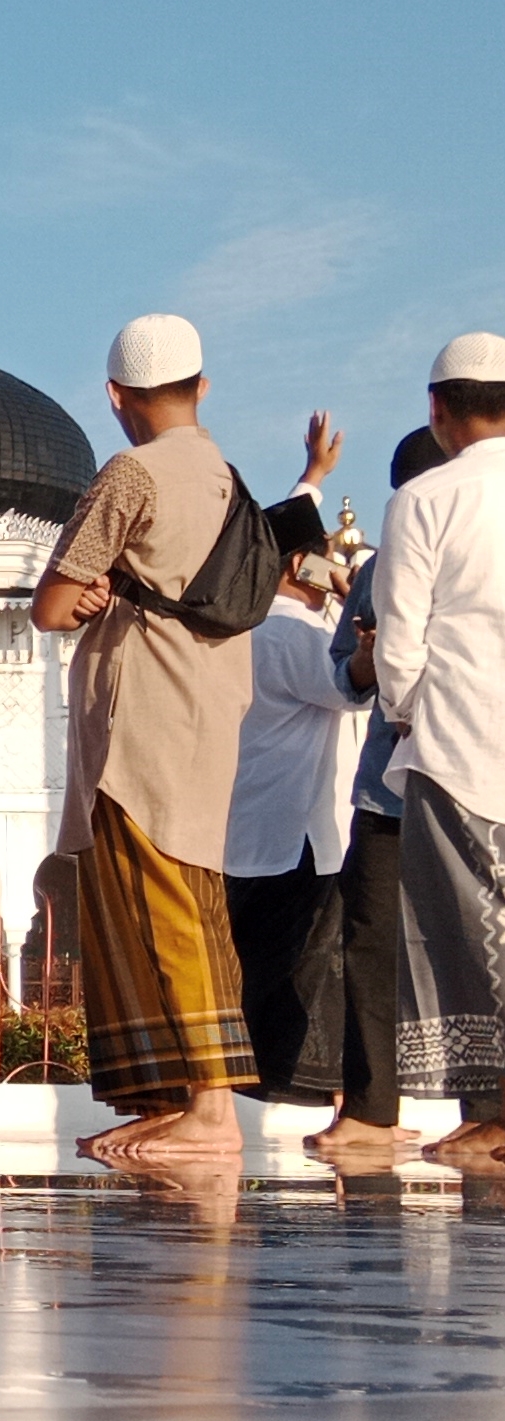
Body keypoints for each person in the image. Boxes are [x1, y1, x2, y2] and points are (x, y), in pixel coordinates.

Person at [31, 314, 335, 1165]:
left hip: (140, 715)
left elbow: (50, 606)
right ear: (201, 388)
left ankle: (204, 1111)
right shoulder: (223, 476)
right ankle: (171, 1100)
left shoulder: (129, 474)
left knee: (161, 904)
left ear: (114, 396)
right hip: (206, 709)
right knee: (169, 898)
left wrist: (90, 597)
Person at [367, 332, 505, 1162]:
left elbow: (398, 642)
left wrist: (407, 709)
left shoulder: (423, 499)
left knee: (465, 930)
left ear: (437, 409)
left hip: (458, 741)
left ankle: (492, 1112)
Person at [310, 426, 447, 1165]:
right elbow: (344, 673)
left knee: (477, 943)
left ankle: (488, 1111)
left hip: (474, 781)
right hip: (390, 789)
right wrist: (364, 664)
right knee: (370, 946)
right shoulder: (386, 566)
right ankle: (367, 1110)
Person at [222, 546, 359, 1107]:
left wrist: (314, 479)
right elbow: (356, 686)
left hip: (247, 831)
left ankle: (246, 1086)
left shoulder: (244, 632)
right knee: (306, 966)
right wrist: (358, 605)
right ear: (301, 564)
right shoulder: (297, 634)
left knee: (256, 964)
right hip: (295, 835)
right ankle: (312, 1093)